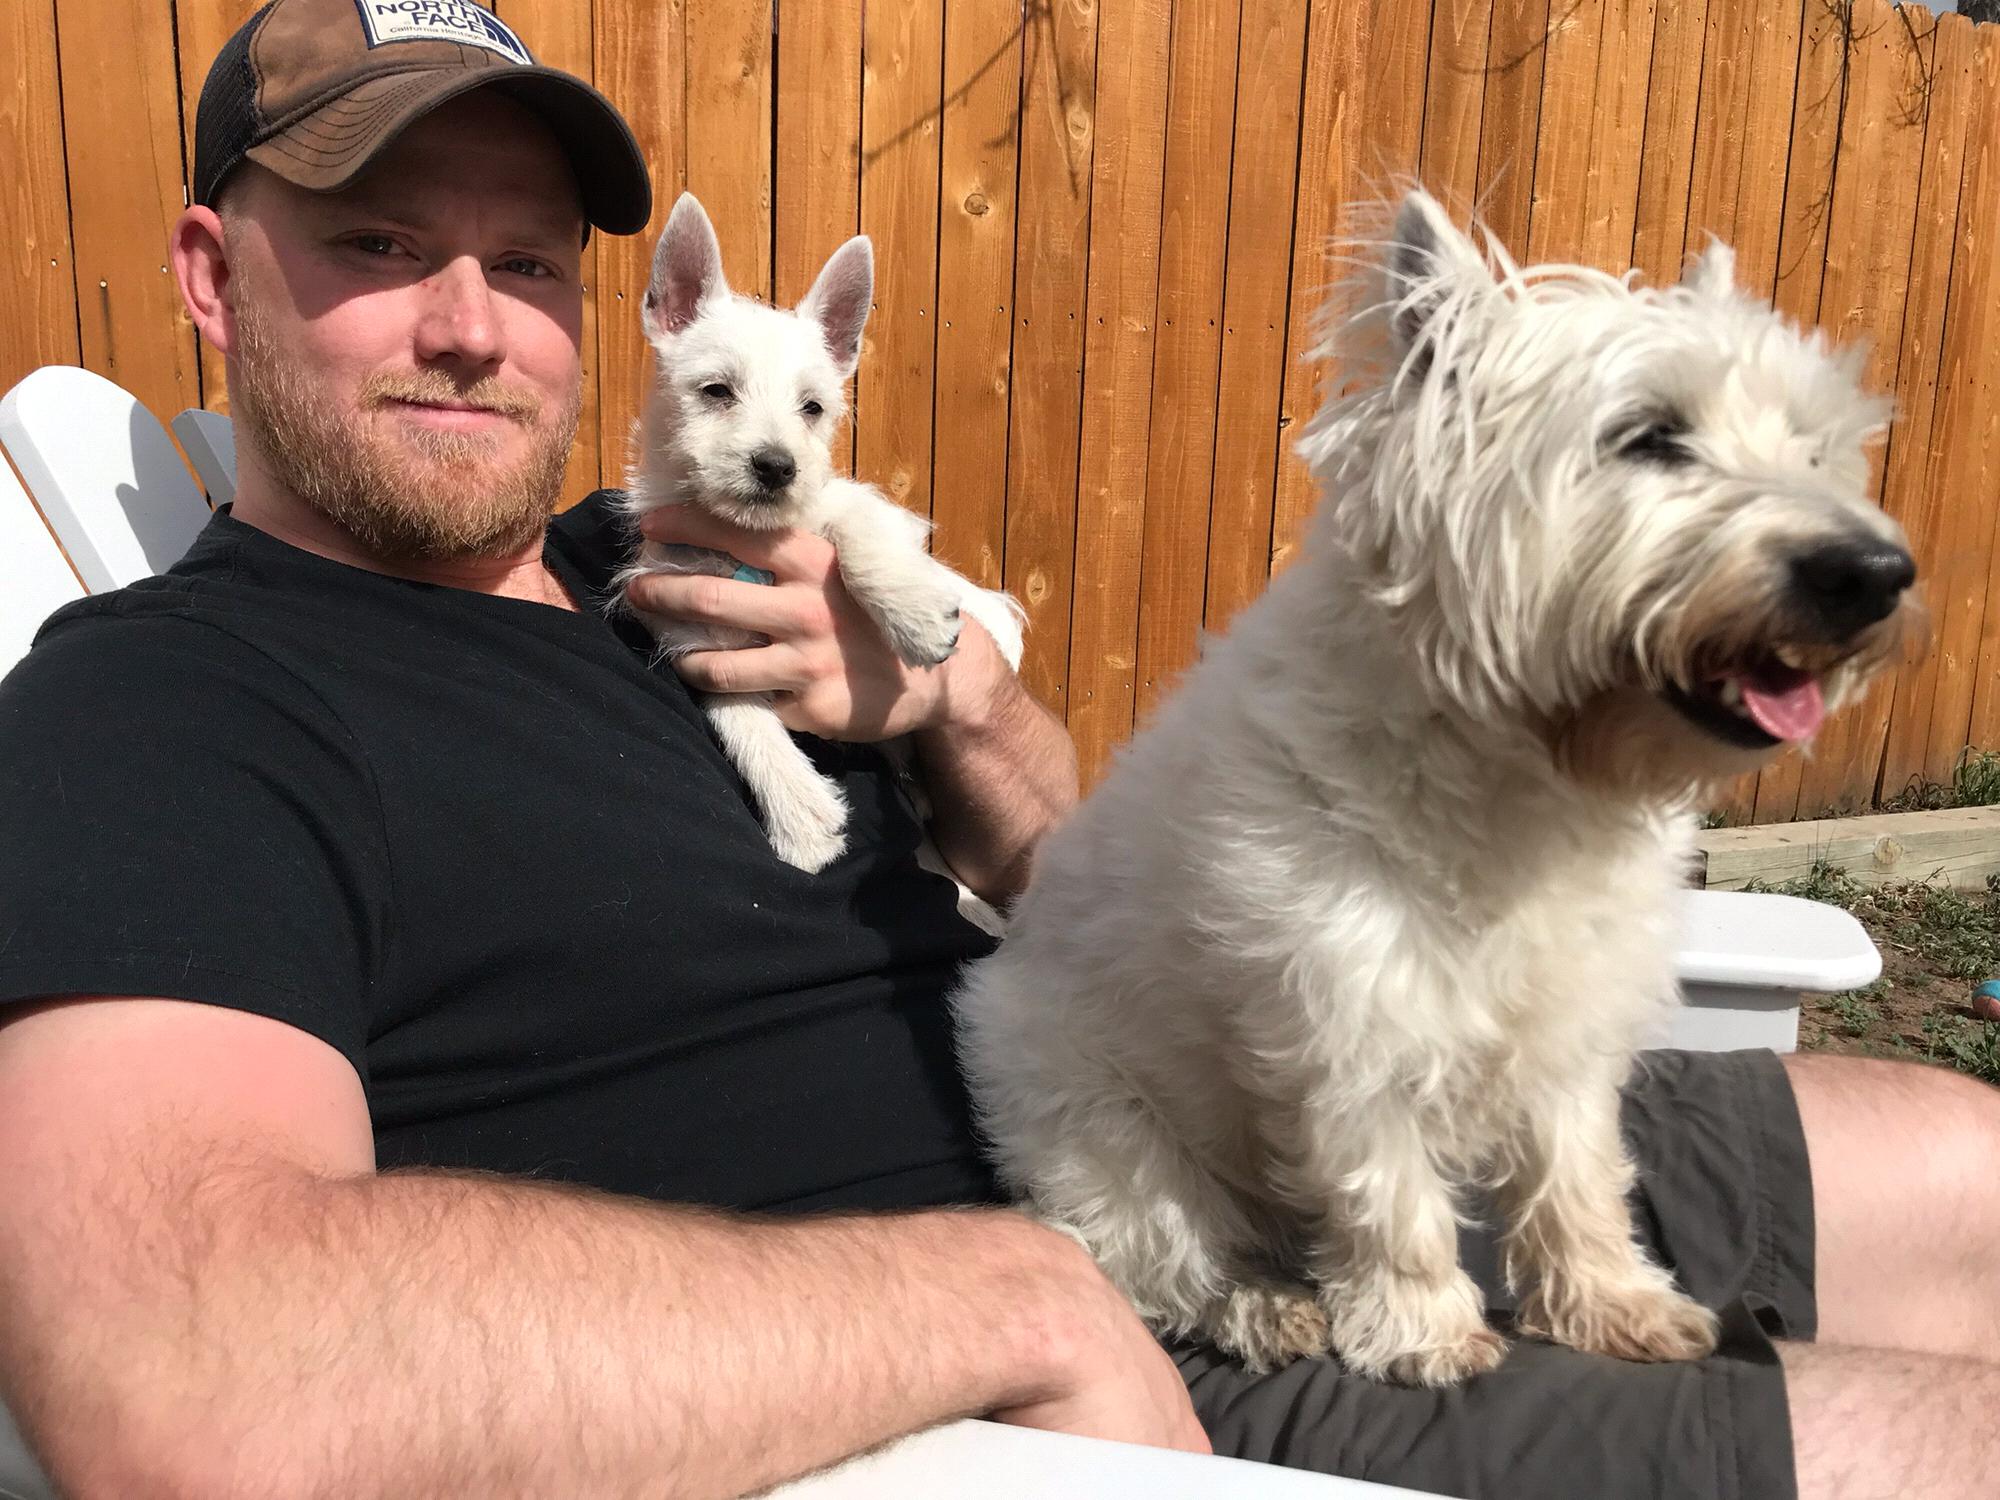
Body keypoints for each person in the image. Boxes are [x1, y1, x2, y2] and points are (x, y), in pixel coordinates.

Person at [0, 4, 1993, 1498]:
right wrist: (997, 1302)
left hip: (1244, 1101)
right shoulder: (171, 702)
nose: (471, 324)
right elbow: (191, 1371)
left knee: (1967, 1167)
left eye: (526, 265)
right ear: (211, 273)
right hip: (1086, 1369)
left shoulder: (693, 558)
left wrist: (954, 711)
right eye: (376, 244)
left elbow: (1105, 890)